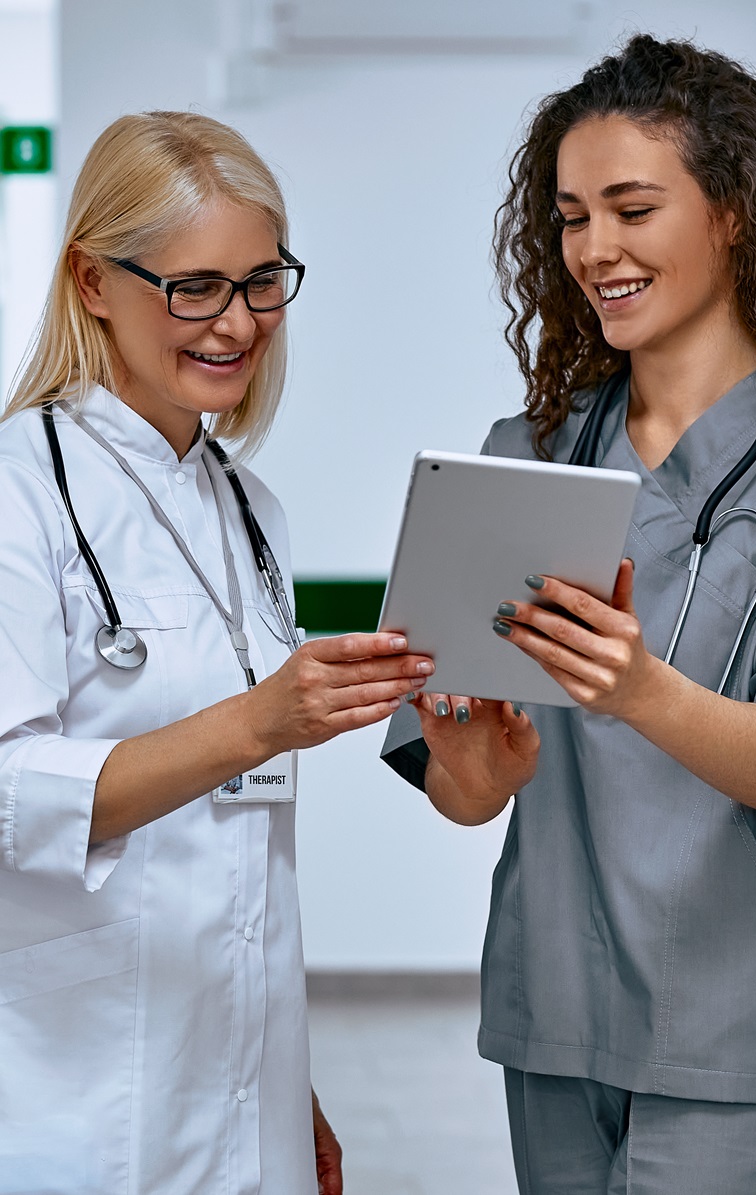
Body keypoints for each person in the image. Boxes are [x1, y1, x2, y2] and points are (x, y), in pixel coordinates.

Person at [382, 34, 756, 1194]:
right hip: (556, 1023)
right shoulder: (518, 461)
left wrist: (640, 693)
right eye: (571, 217)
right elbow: (464, 791)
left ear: (733, 213)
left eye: (632, 208)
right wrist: (475, 767)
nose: (594, 251)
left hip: (746, 1034)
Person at [0, 111, 435, 1195]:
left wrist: (283, 1080)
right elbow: (9, 797)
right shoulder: (19, 489)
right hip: (73, 1092)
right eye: (195, 287)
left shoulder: (250, 510)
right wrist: (256, 720)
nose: (237, 323)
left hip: (241, 1086)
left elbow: (243, 847)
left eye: (262, 281)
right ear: (92, 280)